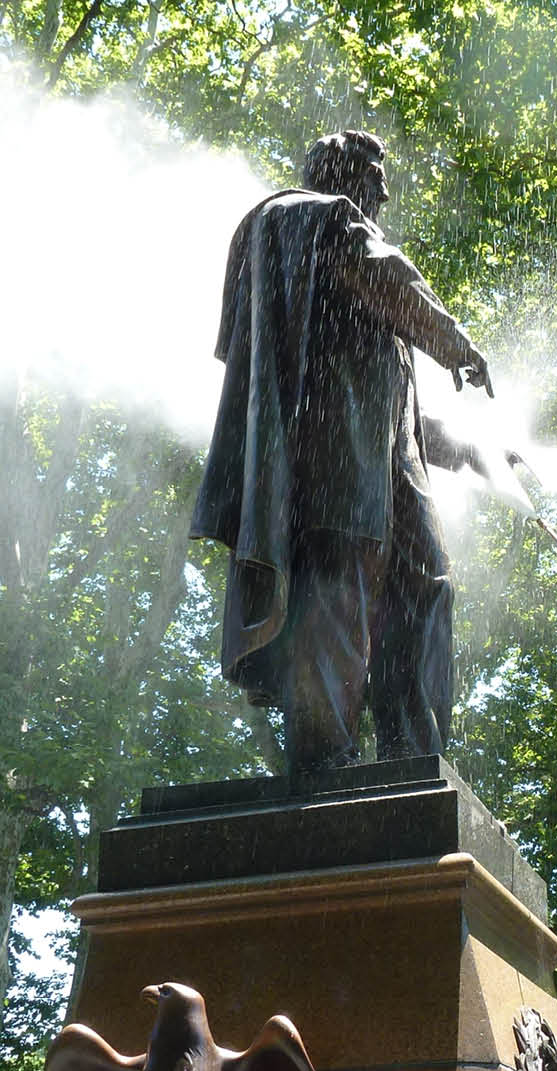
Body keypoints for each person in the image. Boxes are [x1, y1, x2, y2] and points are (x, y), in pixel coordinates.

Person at [195, 129, 501, 773]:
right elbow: (387, 275)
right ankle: (323, 758)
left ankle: (413, 759)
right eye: (374, 178)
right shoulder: (311, 216)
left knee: (426, 585)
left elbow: (405, 418)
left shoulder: (348, 292)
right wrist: (455, 342)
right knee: (337, 593)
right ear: (341, 173)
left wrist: (480, 453)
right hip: (330, 464)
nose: (384, 195)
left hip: (383, 476)